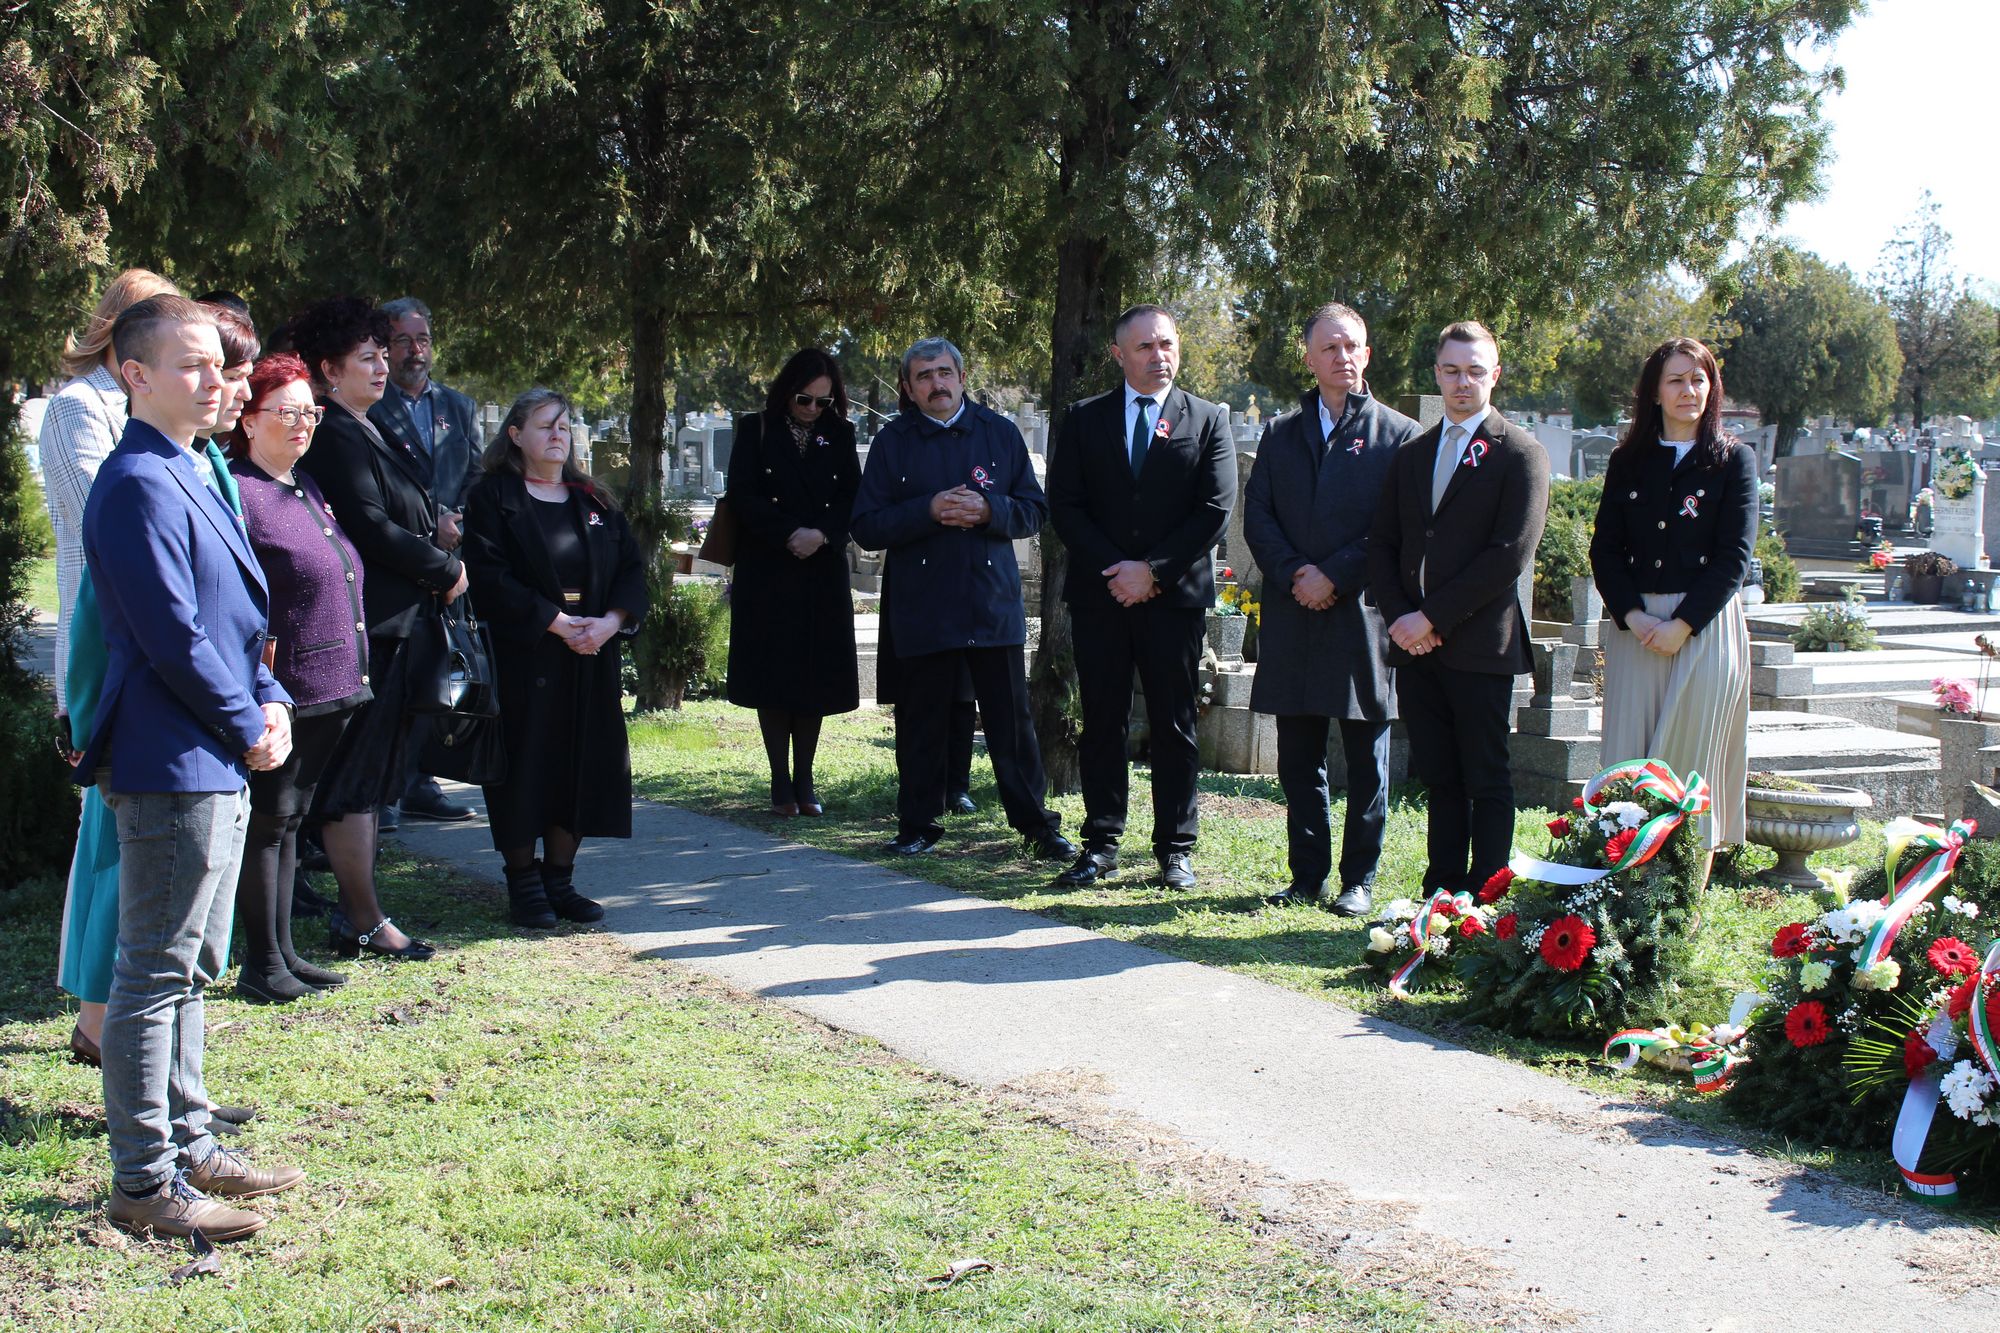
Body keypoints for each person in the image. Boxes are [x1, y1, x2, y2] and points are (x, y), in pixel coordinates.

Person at [78, 294, 302, 1240]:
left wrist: (272, 698)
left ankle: (192, 1141)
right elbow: (172, 632)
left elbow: (235, 619)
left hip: (215, 750)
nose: (217, 381)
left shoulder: (192, 467)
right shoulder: (136, 479)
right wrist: (247, 718)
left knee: (192, 970)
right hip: (172, 756)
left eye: (219, 363)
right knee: (154, 971)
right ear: (136, 375)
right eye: (192, 365)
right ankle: (146, 1180)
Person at [851, 337, 1074, 862]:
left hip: (989, 603)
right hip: (922, 605)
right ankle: (917, 824)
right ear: (909, 387)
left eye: (944, 373)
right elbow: (866, 525)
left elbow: (1033, 511)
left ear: (962, 377)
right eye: (924, 376)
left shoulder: (1000, 433)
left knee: (1010, 725)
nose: (937, 384)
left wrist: (990, 511)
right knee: (921, 722)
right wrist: (927, 509)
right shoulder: (893, 442)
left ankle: (1037, 826)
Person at [293, 296, 467, 961]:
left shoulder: (365, 425)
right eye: (365, 358)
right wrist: (443, 568)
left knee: (371, 778)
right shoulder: (336, 431)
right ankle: (362, 919)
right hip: (374, 626)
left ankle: (361, 913)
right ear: (329, 371)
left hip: (399, 623)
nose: (382, 367)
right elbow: (369, 525)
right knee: (355, 780)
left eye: (380, 355)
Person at [43, 268, 180, 1068]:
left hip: (142, 653)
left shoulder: (143, 413)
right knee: (106, 844)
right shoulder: (77, 407)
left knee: (136, 848)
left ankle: (113, 1016)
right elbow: (110, 520)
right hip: (104, 653)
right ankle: (96, 1019)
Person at [1047, 304, 1234, 890]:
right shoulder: (1084, 419)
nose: (1160, 356)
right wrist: (1117, 570)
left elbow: (1215, 508)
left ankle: (1175, 848)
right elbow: (1066, 504)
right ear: (1118, 354)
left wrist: (1151, 572)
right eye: (1146, 346)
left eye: (1167, 344)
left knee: (1174, 722)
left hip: (1173, 599)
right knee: (1102, 719)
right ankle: (1101, 843)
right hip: (1102, 594)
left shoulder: (1207, 419)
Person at [1244, 303, 1417, 915]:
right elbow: (1258, 516)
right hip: (1293, 612)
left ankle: (1358, 879)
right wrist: (1297, 573)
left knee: (1367, 758)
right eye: (1330, 348)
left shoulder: (1399, 436)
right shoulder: (1281, 434)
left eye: (1353, 347)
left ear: (1367, 355)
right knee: (1298, 756)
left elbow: (1395, 527)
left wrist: (1334, 575)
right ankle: (1307, 875)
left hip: (1360, 614)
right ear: (1309, 358)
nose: (1343, 358)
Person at [1367, 320, 1549, 894]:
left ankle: (1487, 893)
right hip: (1415, 646)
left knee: (1486, 776)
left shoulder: (1519, 452)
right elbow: (1384, 543)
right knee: (1440, 776)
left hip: (1479, 644)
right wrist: (1401, 618)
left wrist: (1431, 618)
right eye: (1451, 370)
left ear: (1495, 375)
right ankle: (1442, 889)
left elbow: (1508, 554)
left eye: (1475, 371)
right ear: (1437, 374)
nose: (1462, 382)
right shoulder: (1414, 454)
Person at [461, 389, 648, 926]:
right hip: (526, 655)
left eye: (564, 426)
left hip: (590, 655)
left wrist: (611, 621)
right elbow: (488, 574)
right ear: (516, 435)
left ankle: (559, 881)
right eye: (545, 425)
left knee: (581, 765)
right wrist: (555, 621)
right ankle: (524, 883)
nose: (557, 435)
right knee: (526, 768)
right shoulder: (493, 497)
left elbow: (631, 569)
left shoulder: (593, 499)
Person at [228, 353, 373, 1000]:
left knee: (291, 819)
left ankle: (284, 951)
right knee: (269, 821)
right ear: (249, 419)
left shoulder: (302, 484)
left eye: (309, 411)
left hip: (332, 683)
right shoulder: (240, 491)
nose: (302, 423)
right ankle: (262, 965)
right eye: (285, 411)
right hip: (285, 689)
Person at [1589, 337, 1755, 848]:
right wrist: (1633, 616)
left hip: (1704, 626)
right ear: (1655, 392)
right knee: (1630, 758)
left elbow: (1735, 556)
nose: (1689, 391)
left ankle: (1689, 880)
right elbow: (1606, 550)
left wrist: (1682, 624)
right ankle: (1622, 873)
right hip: (1637, 628)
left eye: (1699, 379)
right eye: (1676, 380)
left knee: (1690, 764)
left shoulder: (1733, 460)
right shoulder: (1628, 461)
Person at [724, 348, 861, 815]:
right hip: (769, 567)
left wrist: (820, 534)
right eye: (805, 399)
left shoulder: (840, 433)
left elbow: (852, 495)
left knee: (813, 675)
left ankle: (806, 779)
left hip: (820, 568)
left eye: (824, 402)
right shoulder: (756, 429)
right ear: (786, 392)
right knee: (774, 673)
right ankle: (780, 781)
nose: (813, 409)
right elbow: (743, 494)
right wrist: (788, 533)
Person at [370, 296, 483, 825]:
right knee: (393, 678)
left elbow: (476, 475)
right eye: (402, 341)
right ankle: (384, 792)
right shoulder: (371, 406)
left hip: (449, 560)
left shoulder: (457, 407)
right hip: (397, 558)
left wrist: (457, 520)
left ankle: (420, 783)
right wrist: (428, 523)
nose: (415, 351)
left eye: (423, 340)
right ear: (384, 348)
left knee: (437, 673)